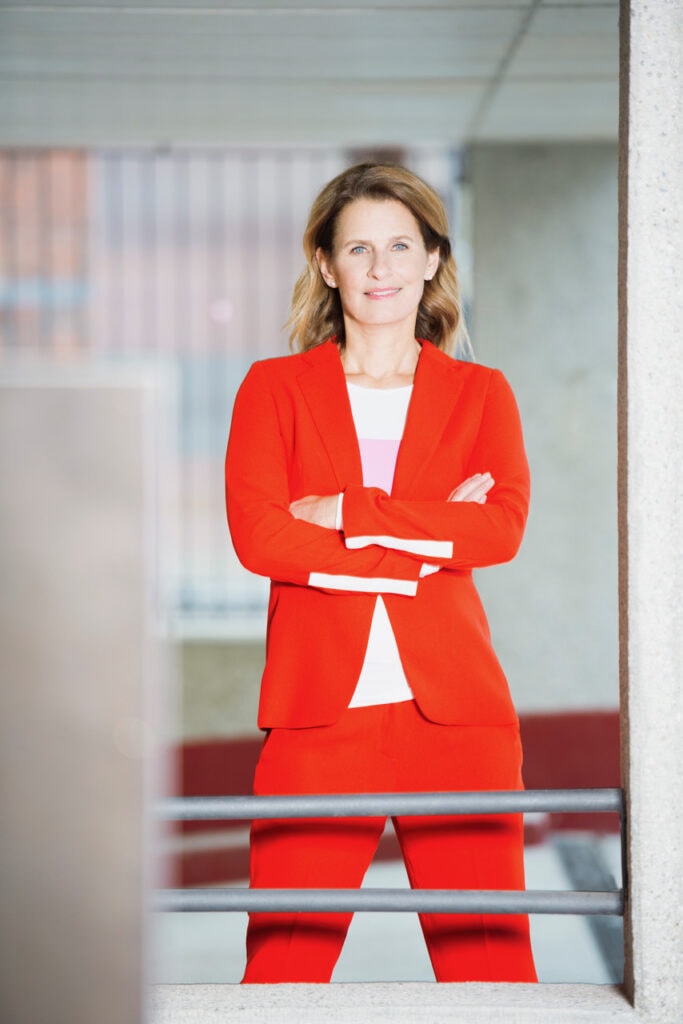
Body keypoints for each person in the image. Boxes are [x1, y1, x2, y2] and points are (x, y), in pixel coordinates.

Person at [225, 162, 538, 984]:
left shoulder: (480, 394)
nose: (380, 267)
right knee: (281, 974)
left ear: (432, 258)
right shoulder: (272, 389)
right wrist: (426, 543)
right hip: (315, 721)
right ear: (326, 264)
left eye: (400, 245)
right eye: (357, 248)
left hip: (459, 722)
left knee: (491, 974)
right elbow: (261, 540)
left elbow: (497, 530)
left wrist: (345, 511)